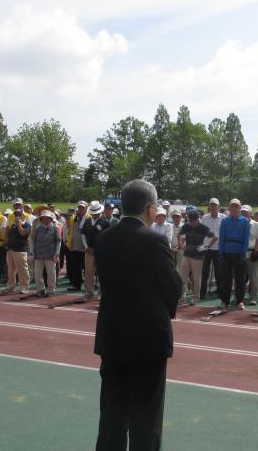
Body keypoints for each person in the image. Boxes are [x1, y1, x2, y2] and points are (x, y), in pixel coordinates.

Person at [94, 179, 182, 451]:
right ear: (150, 208)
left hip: (112, 335)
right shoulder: (154, 240)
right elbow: (174, 287)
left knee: (112, 415)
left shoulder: (104, 238)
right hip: (147, 340)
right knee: (146, 419)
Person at [217, 199, 250, 310]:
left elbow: (246, 239)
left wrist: (243, 254)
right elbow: (221, 238)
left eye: (236, 206)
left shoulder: (245, 221)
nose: (234, 208)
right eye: (232, 206)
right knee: (226, 279)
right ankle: (225, 301)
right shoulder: (225, 221)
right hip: (226, 252)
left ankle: (240, 301)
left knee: (240, 279)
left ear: (240, 208)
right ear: (229, 208)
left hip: (239, 253)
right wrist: (221, 254)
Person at [178, 209, 216, 304]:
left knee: (196, 277)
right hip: (186, 255)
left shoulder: (203, 227)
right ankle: (182, 296)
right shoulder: (186, 226)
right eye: (191, 220)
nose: (192, 223)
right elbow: (179, 235)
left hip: (198, 256)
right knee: (183, 277)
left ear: (198, 219)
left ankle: (195, 298)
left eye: (194, 220)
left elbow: (215, 237)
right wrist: (181, 245)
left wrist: (207, 247)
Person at [30, 210, 61, 296]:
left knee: (51, 274)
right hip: (38, 254)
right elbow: (32, 241)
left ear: (51, 219)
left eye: (48, 218)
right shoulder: (37, 229)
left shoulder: (55, 229)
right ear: (41, 219)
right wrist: (31, 252)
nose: (46, 220)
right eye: (44, 218)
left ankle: (51, 290)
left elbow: (58, 242)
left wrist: (57, 254)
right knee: (37, 274)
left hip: (50, 255)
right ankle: (40, 289)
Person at [82, 201, 109, 299]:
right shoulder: (87, 221)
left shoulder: (105, 222)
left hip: (101, 251)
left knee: (102, 272)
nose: (94, 214)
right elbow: (83, 234)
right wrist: (86, 247)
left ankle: (102, 293)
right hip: (89, 251)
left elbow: (107, 238)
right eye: (93, 213)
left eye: (96, 212)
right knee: (88, 272)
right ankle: (89, 292)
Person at [200, 198, 225, 300]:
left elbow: (221, 233)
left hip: (218, 248)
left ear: (218, 206)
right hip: (206, 248)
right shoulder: (205, 218)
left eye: (215, 205)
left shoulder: (223, 217)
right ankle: (202, 292)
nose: (213, 207)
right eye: (212, 205)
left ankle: (220, 291)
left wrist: (212, 241)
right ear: (209, 206)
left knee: (219, 272)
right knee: (204, 271)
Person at [5, 209, 32, 293]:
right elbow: (9, 235)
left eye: (20, 215)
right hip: (11, 249)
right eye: (16, 215)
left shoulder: (27, 225)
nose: (17, 216)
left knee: (22, 269)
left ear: (23, 216)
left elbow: (23, 233)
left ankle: (25, 286)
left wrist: (19, 224)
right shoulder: (13, 225)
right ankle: (11, 285)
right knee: (11, 269)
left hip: (20, 250)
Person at [241, 205, 258, 305]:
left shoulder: (255, 224)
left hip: (251, 252)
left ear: (250, 213)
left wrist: (256, 250)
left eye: (246, 212)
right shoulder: (238, 223)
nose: (244, 213)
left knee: (253, 277)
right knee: (239, 276)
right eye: (242, 212)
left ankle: (253, 297)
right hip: (240, 253)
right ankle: (239, 297)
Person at [65, 201, 88, 292]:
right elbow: (71, 231)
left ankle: (88, 285)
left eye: (82, 208)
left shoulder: (89, 218)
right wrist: (69, 243)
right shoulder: (74, 218)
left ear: (86, 208)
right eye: (79, 207)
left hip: (85, 247)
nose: (80, 209)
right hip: (75, 246)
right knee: (76, 267)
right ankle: (76, 284)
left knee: (87, 268)